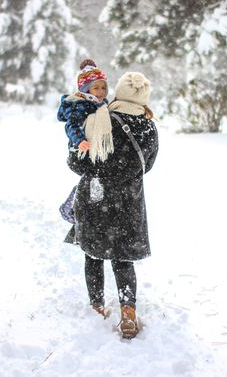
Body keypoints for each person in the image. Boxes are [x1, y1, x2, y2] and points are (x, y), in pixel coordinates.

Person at [64, 71, 159, 339]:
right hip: (130, 201)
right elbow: (147, 166)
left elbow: (76, 163)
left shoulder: (99, 120)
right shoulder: (149, 126)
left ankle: (96, 306)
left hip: (97, 198)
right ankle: (128, 310)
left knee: (93, 255)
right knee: (123, 258)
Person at [57, 59, 112, 224]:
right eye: (96, 88)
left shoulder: (102, 105)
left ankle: (92, 210)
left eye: (103, 87)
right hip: (80, 152)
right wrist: (79, 140)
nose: (101, 91)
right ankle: (72, 206)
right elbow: (71, 125)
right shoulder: (80, 104)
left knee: (98, 179)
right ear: (85, 89)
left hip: (95, 151)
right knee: (94, 178)